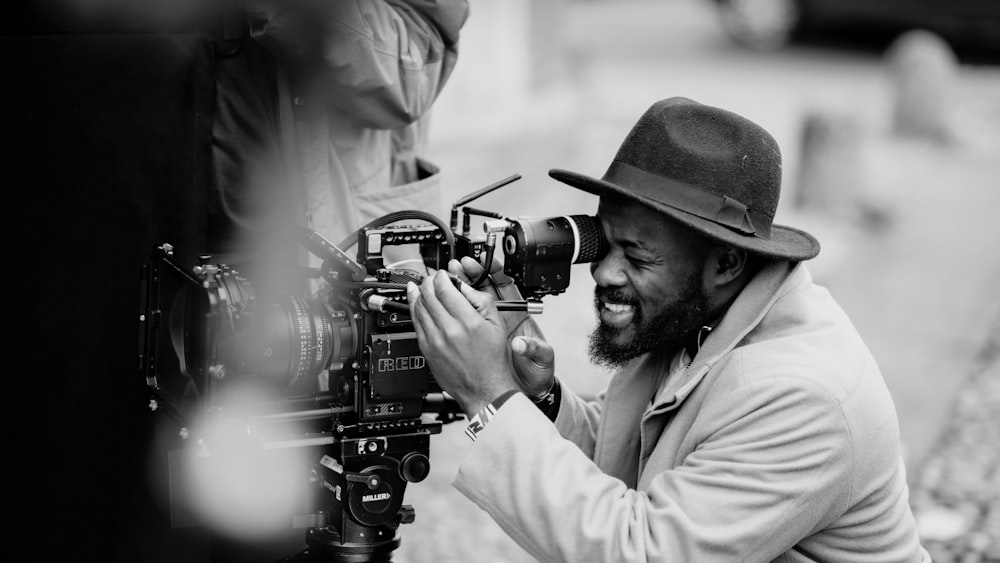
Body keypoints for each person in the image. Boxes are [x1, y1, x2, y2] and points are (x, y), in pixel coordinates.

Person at [406, 97, 931, 562]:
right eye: (602, 242)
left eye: (636, 255)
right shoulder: (697, 314)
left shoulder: (803, 397)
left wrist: (488, 396)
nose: (605, 272)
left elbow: (640, 548)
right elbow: (630, 468)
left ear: (725, 262)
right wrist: (537, 394)